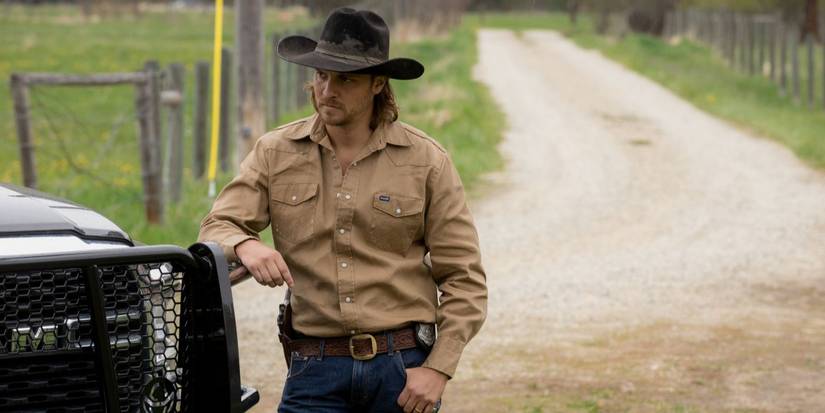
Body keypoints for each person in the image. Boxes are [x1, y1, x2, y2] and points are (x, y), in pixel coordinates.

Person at [198, 7, 487, 413]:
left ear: (378, 84)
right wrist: (247, 246)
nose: (327, 90)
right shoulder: (276, 152)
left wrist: (438, 369)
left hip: (402, 368)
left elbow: (464, 279)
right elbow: (217, 225)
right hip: (313, 369)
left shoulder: (426, 161)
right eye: (321, 76)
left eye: (345, 79)